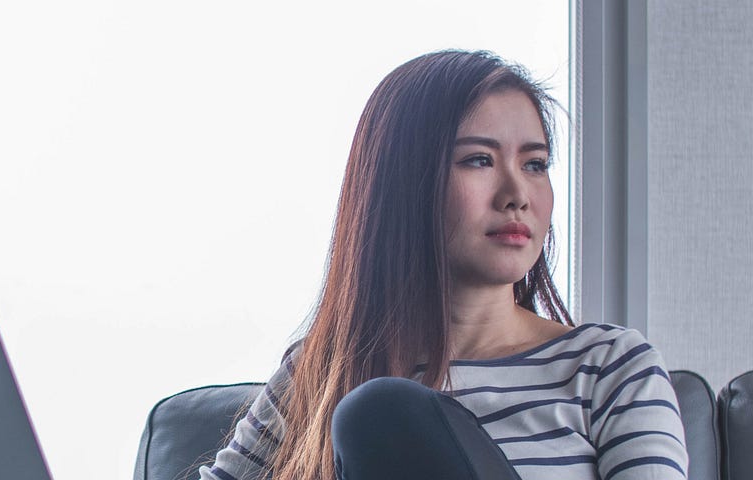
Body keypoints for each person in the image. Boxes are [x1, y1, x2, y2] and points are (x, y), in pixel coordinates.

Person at [198, 50, 688, 480]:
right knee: (379, 412)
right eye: (479, 160)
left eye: (534, 165)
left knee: (380, 412)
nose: (517, 195)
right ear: (404, 184)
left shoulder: (608, 367)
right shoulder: (321, 371)